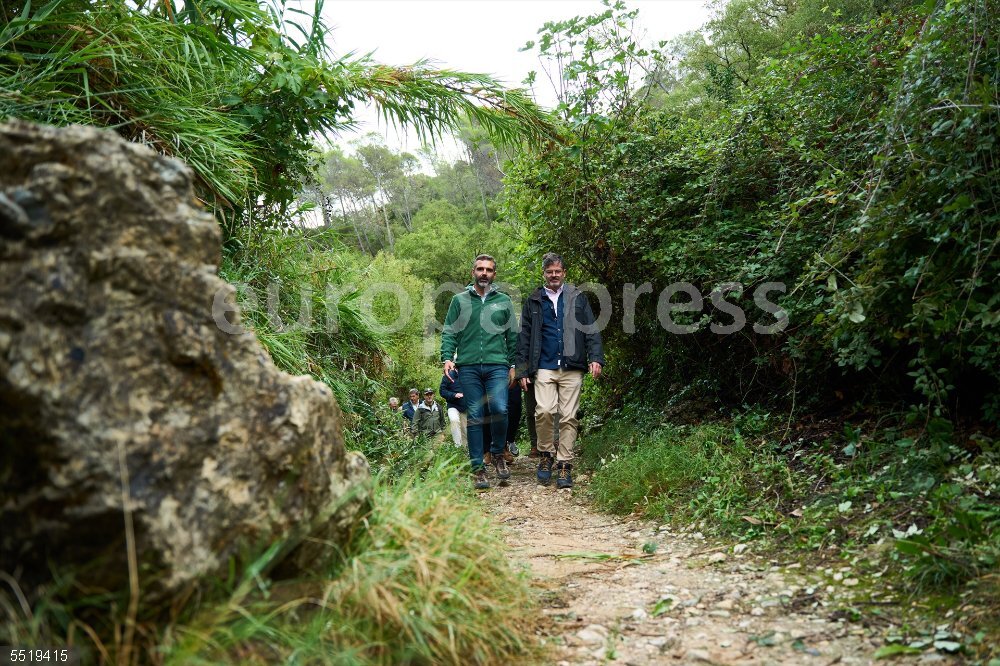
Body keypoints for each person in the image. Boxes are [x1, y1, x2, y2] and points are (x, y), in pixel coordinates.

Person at [516, 253, 605, 489]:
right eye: (549, 272)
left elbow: (591, 329)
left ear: (564, 272)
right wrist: (522, 369)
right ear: (544, 274)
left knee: (569, 416)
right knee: (544, 411)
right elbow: (524, 336)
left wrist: (595, 357)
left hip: (572, 365)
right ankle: (545, 456)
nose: (553, 275)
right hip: (543, 366)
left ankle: (565, 463)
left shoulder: (577, 297)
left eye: (557, 271)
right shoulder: (533, 300)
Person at [441, 254, 518, 490]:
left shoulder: (504, 300)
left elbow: (512, 335)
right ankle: (477, 468)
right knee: (474, 415)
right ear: (473, 272)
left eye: (489, 270)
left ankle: (496, 453)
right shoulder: (459, 300)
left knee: (499, 409)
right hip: (468, 366)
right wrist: (447, 357)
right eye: (480, 269)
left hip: (497, 365)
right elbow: (450, 331)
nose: (484, 273)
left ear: (495, 274)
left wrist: (513, 364)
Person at [439, 372, 467, 449]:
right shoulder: (448, 376)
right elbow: (442, 391)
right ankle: (457, 447)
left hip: (465, 407)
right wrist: (454, 395)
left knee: (465, 430)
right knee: (454, 420)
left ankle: (464, 450)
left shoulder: (467, 373)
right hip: (453, 406)